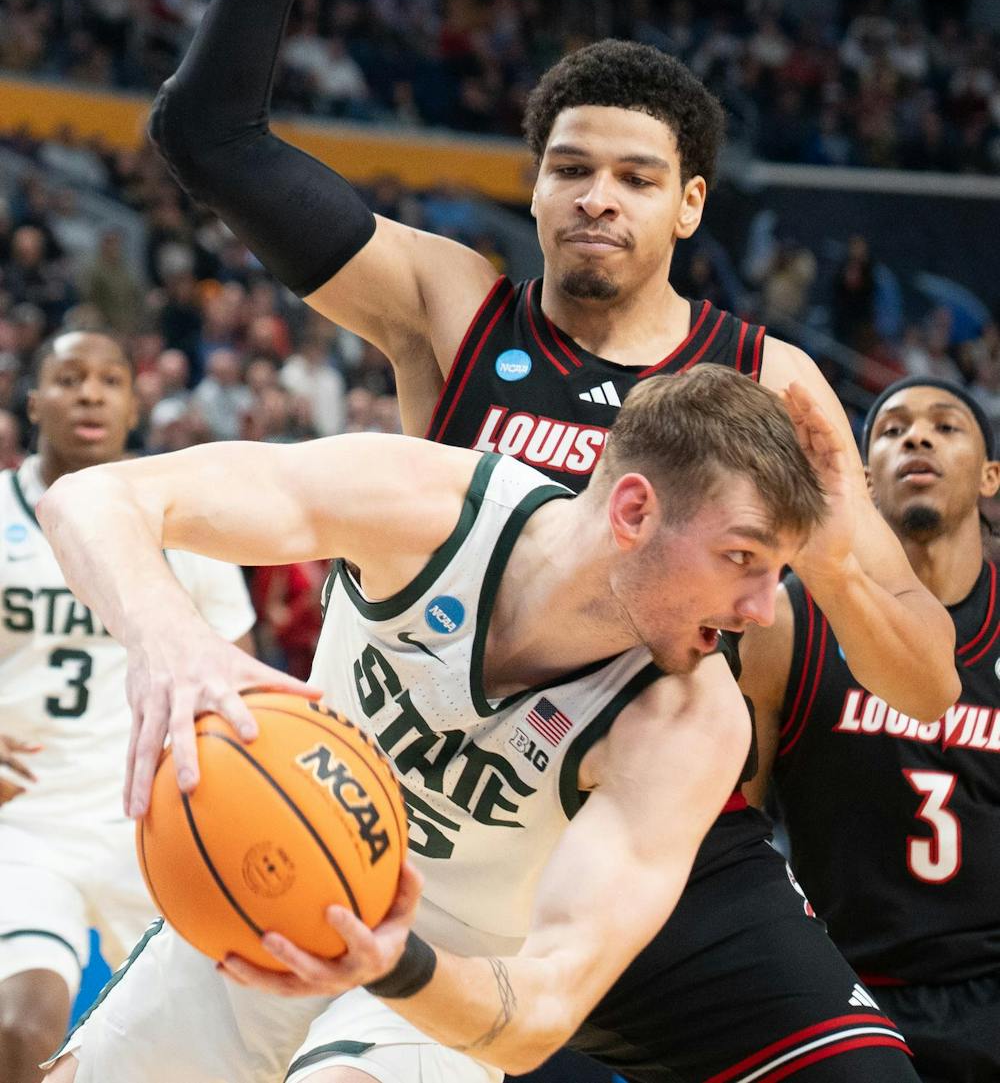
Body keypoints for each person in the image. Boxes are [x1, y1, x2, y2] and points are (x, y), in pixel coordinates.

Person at [147, 0, 954, 1081]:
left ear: (689, 205)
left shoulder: (769, 381)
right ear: (532, 187)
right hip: (441, 818)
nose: (596, 198)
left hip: (659, 835)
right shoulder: (450, 305)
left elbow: (924, 683)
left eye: (636, 177)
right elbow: (207, 135)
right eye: (569, 168)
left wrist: (822, 544)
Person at [43, 365, 842, 1083]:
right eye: (742, 558)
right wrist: (171, 641)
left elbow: (544, 1008)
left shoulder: (690, 720)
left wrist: (393, 961)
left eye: (778, 573)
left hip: (442, 979)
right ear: (634, 510)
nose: (761, 609)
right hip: (267, 879)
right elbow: (90, 498)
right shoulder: (430, 508)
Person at [0, 330, 258, 1083]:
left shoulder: (179, 519)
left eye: (110, 380)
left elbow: (239, 675)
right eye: (69, 378)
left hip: (152, 819)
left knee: (214, 1053)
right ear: (33, 401)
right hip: (24, 820)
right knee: (20, 1026)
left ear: (133, 404)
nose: (90, 393)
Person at [743, 377, 1000, 1083]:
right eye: (891, 430)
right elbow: (732, 824)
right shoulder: (787, 621)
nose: (916, 437)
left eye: (945, 425)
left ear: (990, 476)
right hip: (841, 988)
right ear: (859, 481)